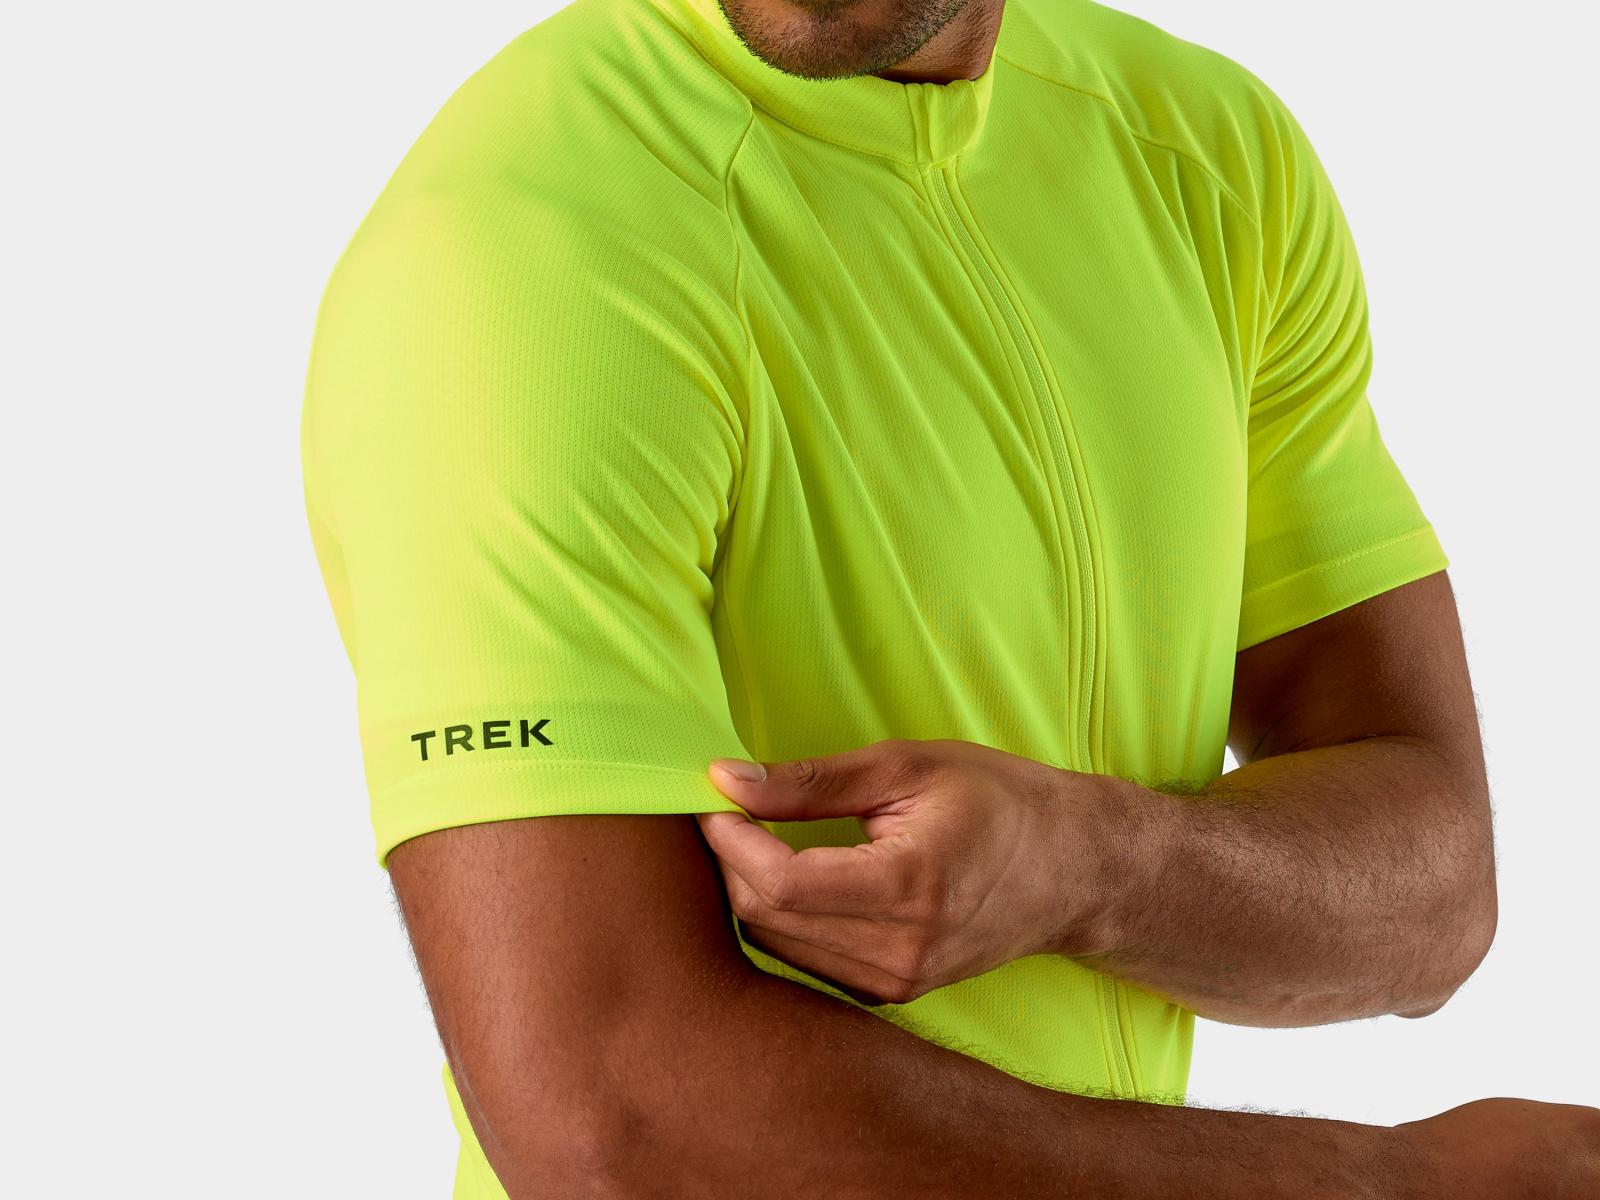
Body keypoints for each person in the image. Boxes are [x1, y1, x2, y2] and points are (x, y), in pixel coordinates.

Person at [299, 0, 1600, 1193]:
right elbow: (612, 1118)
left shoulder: (1202, 152)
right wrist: (1399, 1185)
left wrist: (1093, 866)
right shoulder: (526, 247)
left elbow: (1432, 892)